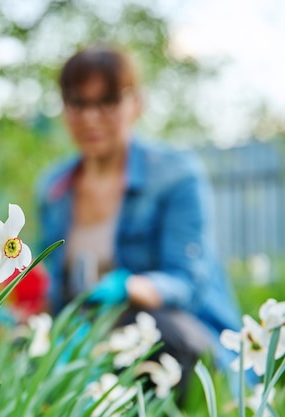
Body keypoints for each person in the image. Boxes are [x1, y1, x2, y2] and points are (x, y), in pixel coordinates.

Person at [36, 44, 242, 400]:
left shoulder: (176, 176)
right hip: (85, 337)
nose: (91, 117)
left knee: (147, 330)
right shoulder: (54, 189)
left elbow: (189, 282)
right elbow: (48, 285)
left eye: (108, 101)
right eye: (78, 103)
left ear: (136, 103)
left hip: (175, 332)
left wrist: (128, 288)